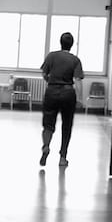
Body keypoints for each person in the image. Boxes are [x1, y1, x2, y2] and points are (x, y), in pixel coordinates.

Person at [39, 32, 83, 167]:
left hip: (52, 91)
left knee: (48, 123)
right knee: (67, 125)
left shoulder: (51, 56)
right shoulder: (75, 60)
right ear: (72, 44)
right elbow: (77, 80)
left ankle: (46, 146)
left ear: (60, 42)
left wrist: (50, 80)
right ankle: (63, 158)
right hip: (68, 93)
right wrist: (80, 99)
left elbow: (44, 73)